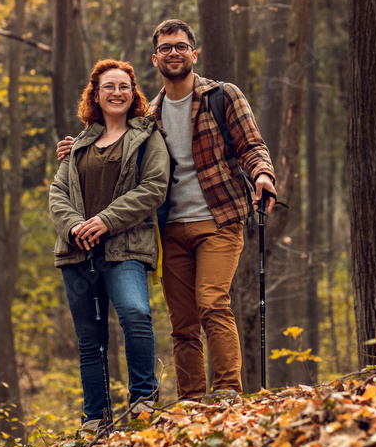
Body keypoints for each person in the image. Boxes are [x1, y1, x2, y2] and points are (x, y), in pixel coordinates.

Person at [58, 20, 276, 405]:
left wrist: (262, 175)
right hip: (169, 230)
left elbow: (252, 145)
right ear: (155, 58)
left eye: (181, 46)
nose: (174, 52)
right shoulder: (150, 115)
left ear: (195, 53)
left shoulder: (223, 96)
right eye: (166, 48)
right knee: (183, 323)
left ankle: (226, 392)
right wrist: (78, 146)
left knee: (212, 302)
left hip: (219, 218)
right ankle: (192, 402)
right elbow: (115, 142)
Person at [49, 58, 169, 432]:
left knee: (135, 313)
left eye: (124, 87)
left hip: (126, 248)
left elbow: (154, 188)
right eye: (108, 87)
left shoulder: (148, 137)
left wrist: (105, 220)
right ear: (95, 95)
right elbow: (58, 192)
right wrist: (74, 228)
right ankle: (94, 419)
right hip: (77, 253)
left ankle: (143, 400)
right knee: (89, 338)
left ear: (133, 94)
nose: (117, 92)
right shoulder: (79, 143)